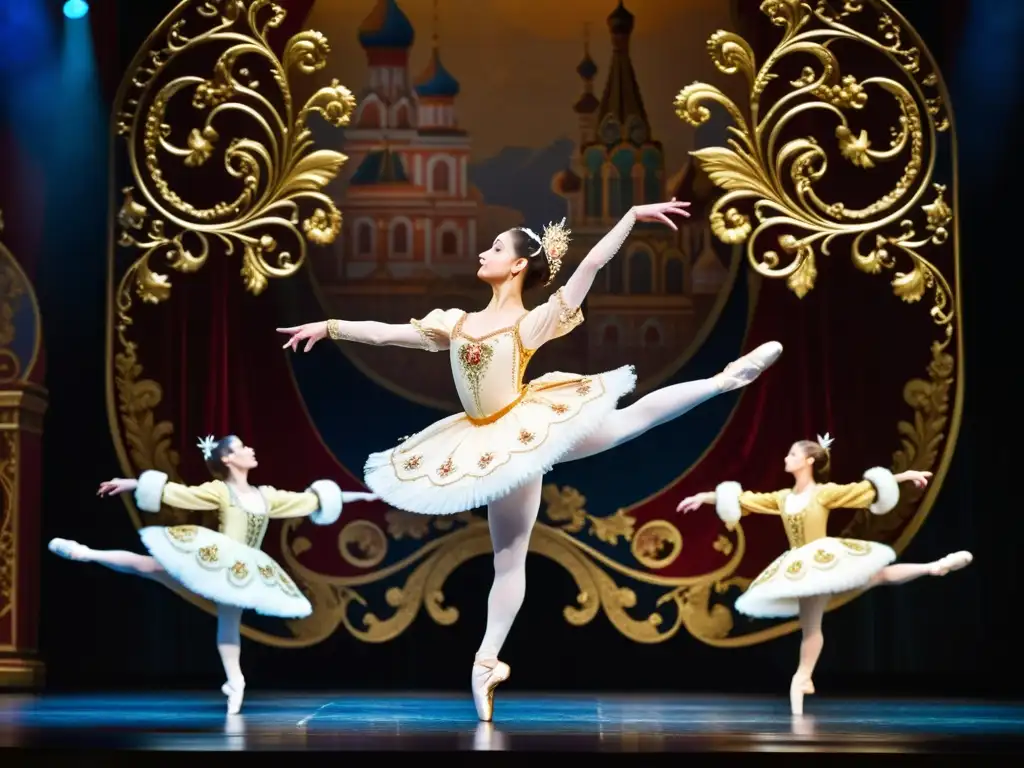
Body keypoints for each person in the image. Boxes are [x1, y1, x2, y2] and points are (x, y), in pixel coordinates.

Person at [277, 200, 784, 721]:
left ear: (518, 265)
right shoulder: (455, 323)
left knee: (632, 420)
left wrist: (629, 216)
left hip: (529, 429)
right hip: (479, 439)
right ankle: (487, 663)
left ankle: (727, 379)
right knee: (509, 557)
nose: (483, 251)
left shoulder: (532, 323)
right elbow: (386, 333)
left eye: (495, 247)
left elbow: (587, 268)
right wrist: (329, 326)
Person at [48, 434, 378, 714]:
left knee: (230, 618)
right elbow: (178, 492)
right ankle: (84, 552)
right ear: (230, 459)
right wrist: (133, 483)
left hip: (242, 568)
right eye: (242, 448)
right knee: (149, 567)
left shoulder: (268, 496)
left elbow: (312, 500)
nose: (250, 450)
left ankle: (235, 682)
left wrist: (363, 495)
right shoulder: (221, 491)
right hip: (213, 557)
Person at [676, 433, 973, 715]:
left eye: (792, 454)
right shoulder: (782, 498)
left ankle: (802, 676)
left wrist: (904, 477)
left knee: (831, 613)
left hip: (822, 560)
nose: (786, 458)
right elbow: (744, 500)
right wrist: (704, 497)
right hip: (802, 566)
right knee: (848, 599)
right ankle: (932, 567)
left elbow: (864, 490)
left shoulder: (824, 493)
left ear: (807, 461)